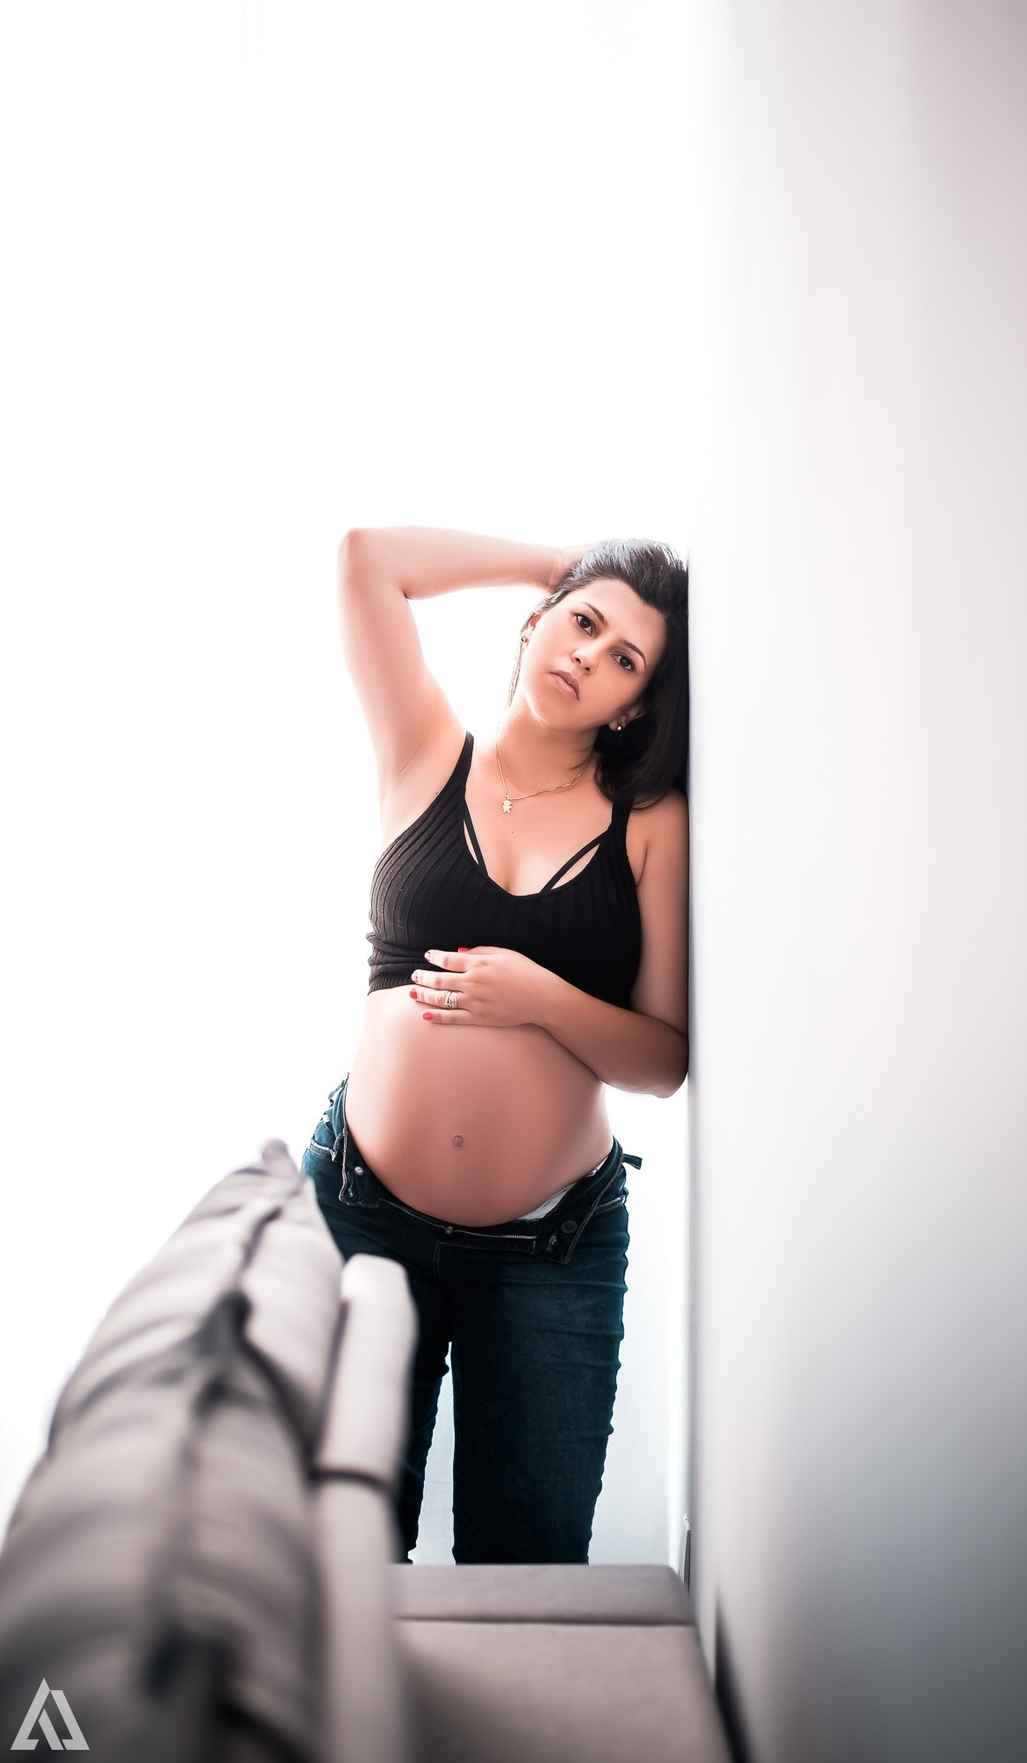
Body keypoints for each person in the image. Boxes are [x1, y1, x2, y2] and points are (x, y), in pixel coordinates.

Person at [300, 526, 689, 1564]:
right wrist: (552, 558)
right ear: (537, 620)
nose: (587, 657)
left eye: (624, 661)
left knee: (527, 1573)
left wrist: (539, 997)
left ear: (637, 706)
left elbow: (661, 1057)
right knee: (329, 1560)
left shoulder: (648, 825)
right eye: (583, 621)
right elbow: (363, 559)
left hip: (550, 1250)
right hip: (357, 1210)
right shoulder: (427, 749)